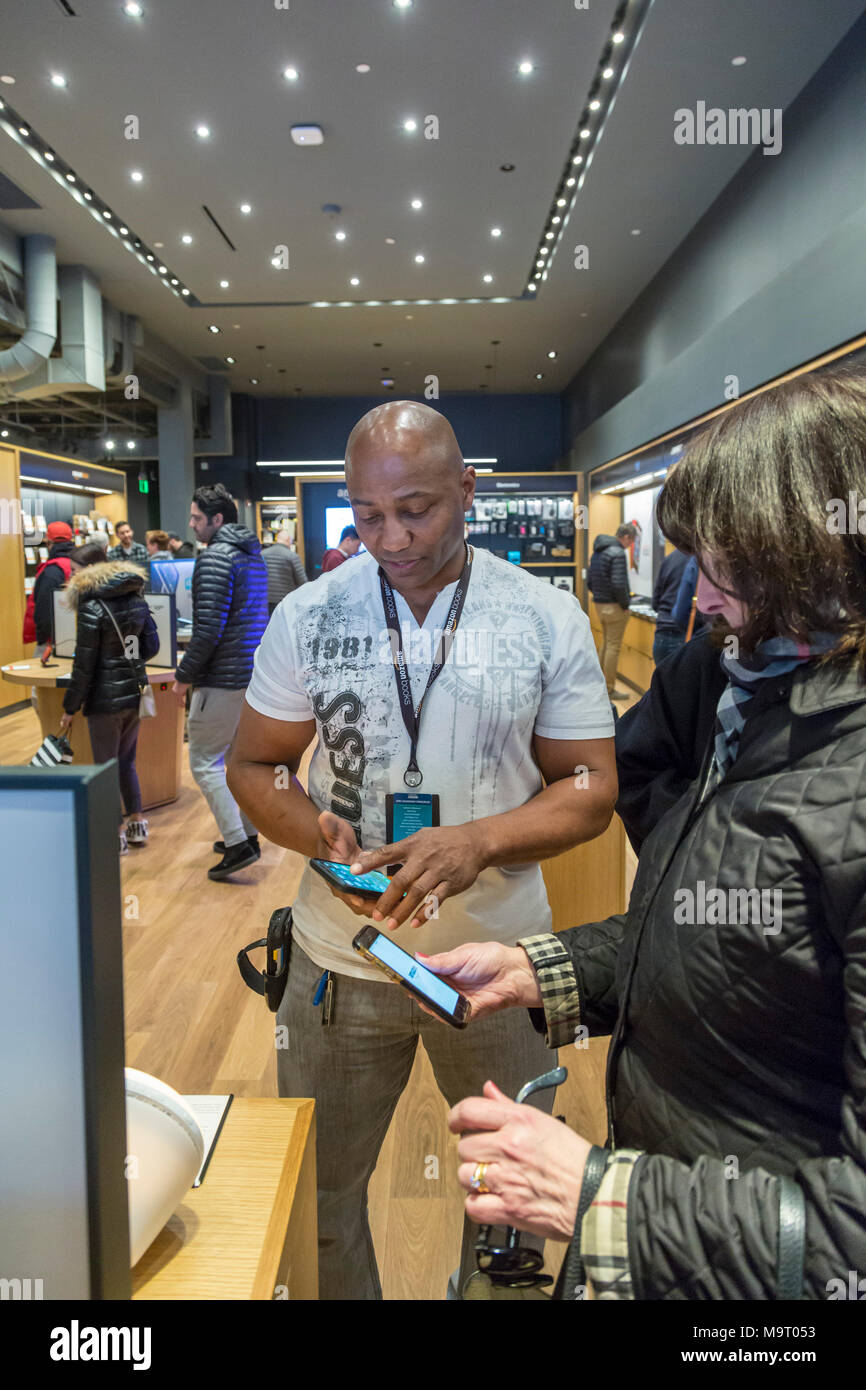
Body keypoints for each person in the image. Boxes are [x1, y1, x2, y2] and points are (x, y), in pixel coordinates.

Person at [419, 367, 866, 1300]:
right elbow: (727, 941)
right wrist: (546, 970)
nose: (702, 598)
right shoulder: (745, 693)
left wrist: (598, 1198)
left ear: (810, 559)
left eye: (726, 565)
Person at [227, 400, 617, 1299]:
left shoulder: (543, 616)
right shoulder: (310, 615)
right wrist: (316, 833)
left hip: (501, 971)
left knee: (510, 1215)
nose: (392, 538)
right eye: (368, 514)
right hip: (340, 961)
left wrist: (481, 840)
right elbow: (253, 764)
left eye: (417, 510)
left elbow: (592, 786)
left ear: (468, 491)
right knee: (319, 1201)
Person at [172, 483, 268, 881]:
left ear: (217, 519)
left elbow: (208, 629)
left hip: (221, 679)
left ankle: (237, 843)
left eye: (197, 518)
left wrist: (183, 677)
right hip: (249, 675)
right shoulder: (252, 555)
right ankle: (247, 834)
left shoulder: (215, 557)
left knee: (204, 762)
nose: (191, 524)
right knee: (233, 761)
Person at [58, 543, 159, 854]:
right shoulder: (136, 598)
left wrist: (70, 707)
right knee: (127, 763)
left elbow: (84, 665)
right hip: (133, 696)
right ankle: (137, 824)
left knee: (105, 768)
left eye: (75, 571)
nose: (71, 577)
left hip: (104, 701)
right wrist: (128, 657)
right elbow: (151, 646)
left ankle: (115, 834)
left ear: (91, 570)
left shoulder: (91, 607)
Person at [587, 524, 635, 700]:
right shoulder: (617, 552)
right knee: (613, 646)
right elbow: (619, 584)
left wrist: (599, 595)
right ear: (626, 537)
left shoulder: (598, 551)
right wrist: (625, 604)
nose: (630, 545)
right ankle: (609, 688)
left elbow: (590, 581)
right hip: (615, 606)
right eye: (631, 541)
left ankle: (598, 685)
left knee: (606, 644)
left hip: (599, 605)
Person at [25, 520, 76, 653]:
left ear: (48, 542)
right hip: (73, 635)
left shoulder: (51, 571)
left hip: (53, 641)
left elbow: (44, 609)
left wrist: (43, 638)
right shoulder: (77, 564)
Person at [650, 545, 690, 666]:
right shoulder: (698, 561)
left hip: (661, 633)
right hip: (684, 633)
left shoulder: (669, 558)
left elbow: (655, 601)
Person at [262, 529, 307, 615]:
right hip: (285, 602)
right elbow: (302, 581)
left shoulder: (262, 554)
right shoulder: (292, 556)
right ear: (288, 540)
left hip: (265, 601)